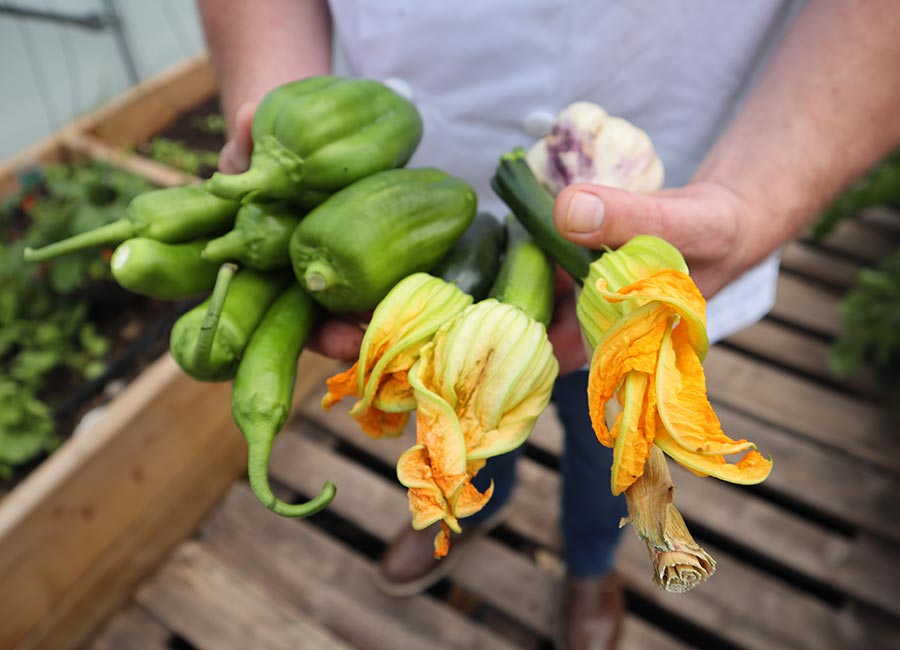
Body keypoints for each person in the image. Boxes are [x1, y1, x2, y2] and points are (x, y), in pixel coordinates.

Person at [196, 2, 900, 648]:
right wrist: (278, 121)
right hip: (408, 220)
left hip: (662, 197)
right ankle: (464, 511)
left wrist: (756, 198)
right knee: (465, 416)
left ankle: (590, 563)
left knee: (608, 451)